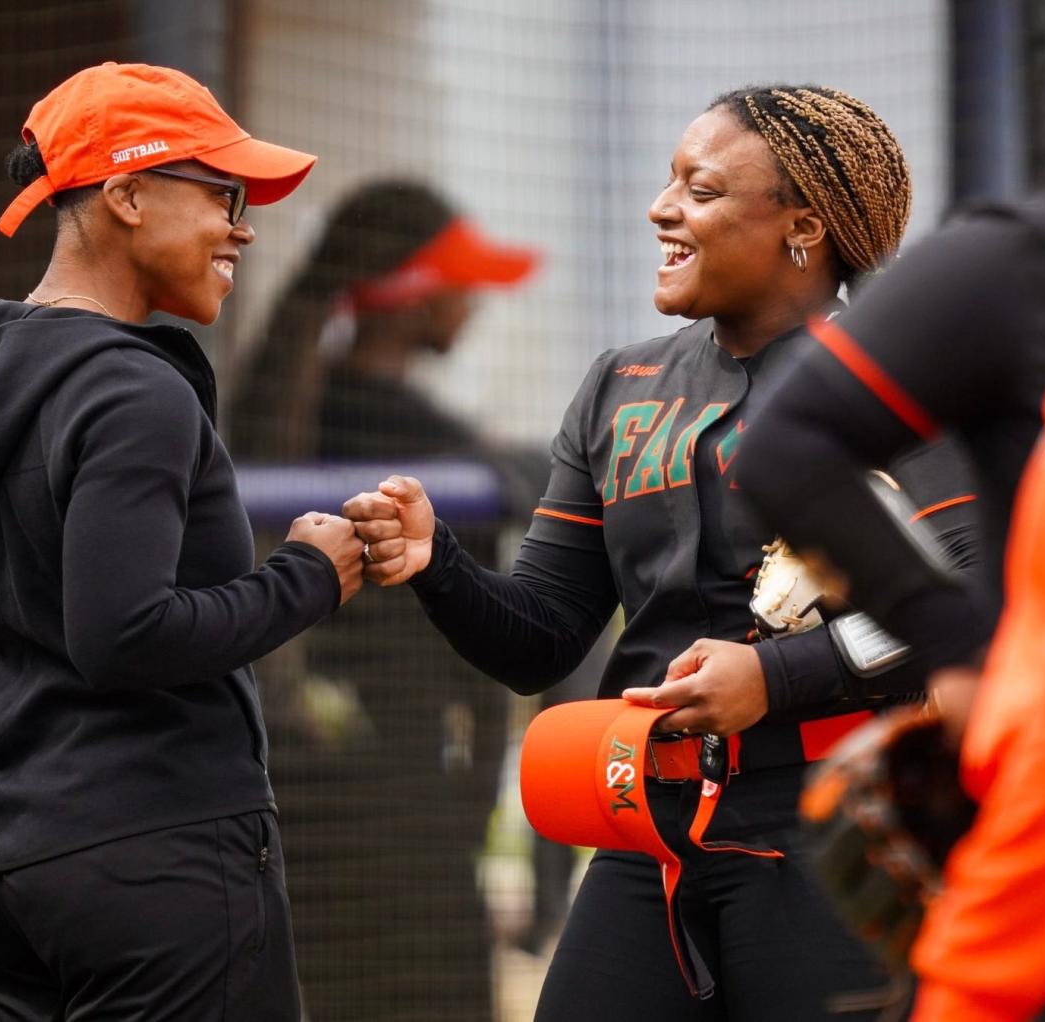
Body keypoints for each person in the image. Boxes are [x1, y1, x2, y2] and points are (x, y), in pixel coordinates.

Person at [343, 85, 981, 1020]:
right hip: (646, 828)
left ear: (802, 227)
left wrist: (780, 677)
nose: (661, 208)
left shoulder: (901, 377)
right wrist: (437, 563)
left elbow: (975, 607)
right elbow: (542, 639)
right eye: (669, 181)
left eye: (703, 189)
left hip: (826, 830)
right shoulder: (620, 384)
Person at [0, 62, 366, 1022]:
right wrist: (312, 576)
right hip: (158, 864)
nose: (244, 227)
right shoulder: (133, 389)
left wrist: (33, 805)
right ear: (127, 195)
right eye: (222, 195)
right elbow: (125, 634)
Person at [734, 184, 1045, 1018]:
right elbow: (785, 454)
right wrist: (955, 650)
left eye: (701, 188)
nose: (665, 210)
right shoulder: (1027, 263)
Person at [229, 179, 547, 1021]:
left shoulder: (273, 412)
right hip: (406, 817)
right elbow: (485, 652)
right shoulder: (432, 454)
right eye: (463, 282)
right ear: (413, 298)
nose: (476, 303)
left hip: (286, 793)